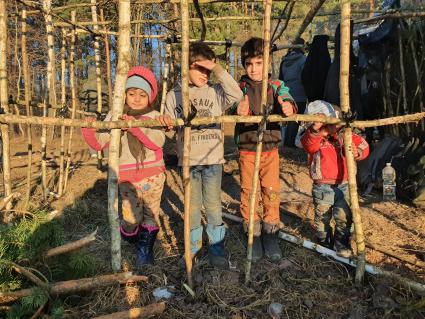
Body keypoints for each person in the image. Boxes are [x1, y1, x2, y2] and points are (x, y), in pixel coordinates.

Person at [158, 42, 243, 269]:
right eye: (200, 69)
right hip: (188, 162)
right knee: (193, 207)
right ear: (186, 67)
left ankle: (217, 248)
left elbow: (237, 93)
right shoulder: (174, 95)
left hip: (213, 160)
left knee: (214, 205)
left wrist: (216, 68)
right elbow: (168, 132)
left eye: (208, 70)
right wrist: (166, 125)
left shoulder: (215, 92)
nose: (205, 75)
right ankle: (193, 247)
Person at [81, 66, 165, 267]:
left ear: (150, 96)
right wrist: (89, 128)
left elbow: (157, 142)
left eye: (142, 94)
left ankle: (145, 250)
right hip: (127, 178)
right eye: (132, 93)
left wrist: (134, 126)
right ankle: (131, 236)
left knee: (150, 216)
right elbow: (100, 142)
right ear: (124, 94)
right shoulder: (115, 116)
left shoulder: (154, 116)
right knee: (130, 219)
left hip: (153, 175)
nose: (136, 98)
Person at [234, 37, 296, 262]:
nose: (254, 69)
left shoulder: (276, 86)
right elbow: (233, 105)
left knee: (270, 191)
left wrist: (288, 105)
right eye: (249, 63)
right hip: (248, 148)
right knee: (248, 192)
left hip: (270, 149)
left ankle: (270, 233)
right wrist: (237, 109)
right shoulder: (240, 87)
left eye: (259, 63)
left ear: (268, 63)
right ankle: (253, 232)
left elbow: (287, 98)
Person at [300, 100, 369, 257]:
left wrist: (357, 152)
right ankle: (324, 241)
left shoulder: (345, 135)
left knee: (344, 215)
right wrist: (316, 131)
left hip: (344, 184)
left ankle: (342, 242)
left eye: (336, 122)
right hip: (322, 186)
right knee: (322, 218)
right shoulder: (314, 138)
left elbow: (364, 145)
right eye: (330, 123)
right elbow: (308, 145)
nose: (334, 127)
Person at [278, 37, 307, 147]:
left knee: (288, 118)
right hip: (299, 91)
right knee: (296, 118)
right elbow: (305, 77)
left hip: (286, 92)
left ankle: (287, 142)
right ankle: (289, 144)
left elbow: (281, 79)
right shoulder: (303, 59)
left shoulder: (284, 60)